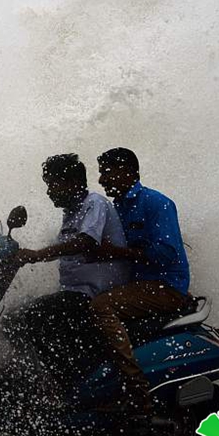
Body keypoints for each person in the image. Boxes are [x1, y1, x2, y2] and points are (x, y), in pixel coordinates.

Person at [3, 153, 131, 398]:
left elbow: (85, 242)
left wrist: (37, 255)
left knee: (31, 316)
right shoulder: (71, 212)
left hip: (95, 293)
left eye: (53, 184)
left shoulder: (94, 204)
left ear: (72, 183)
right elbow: (63, 247)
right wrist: (21, 257)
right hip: (76, 292)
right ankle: (38, 378)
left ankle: (68, 387)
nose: (49, 192)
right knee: (12, 318)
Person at [85, 147, 192, 414]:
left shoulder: (156, 203)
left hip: (165, 286)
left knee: (101, 306)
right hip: (137, 286)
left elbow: (166, 253)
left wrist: (115, 252)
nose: (101, 180)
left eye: (107, 172)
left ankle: (136, 390)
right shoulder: (115, 208)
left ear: (128, 172)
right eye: (101, 173)